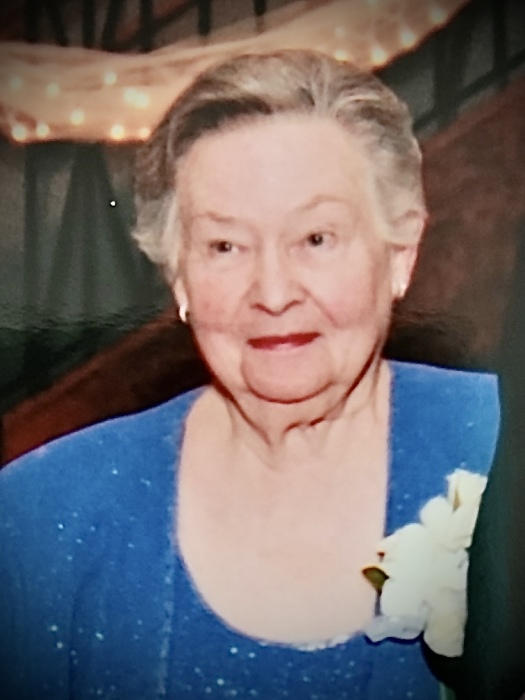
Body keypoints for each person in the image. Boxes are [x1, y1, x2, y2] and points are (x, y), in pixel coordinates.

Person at [0, 50, 499, 700]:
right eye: (225, 246)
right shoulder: (40, 514)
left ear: (400, 252)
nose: (273, 293)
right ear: (178, 276)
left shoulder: (500, 446)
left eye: (315, 239)